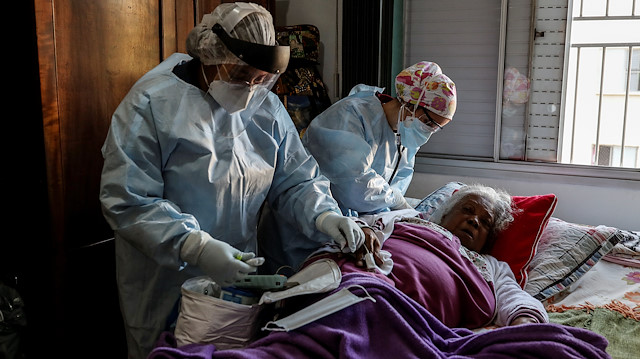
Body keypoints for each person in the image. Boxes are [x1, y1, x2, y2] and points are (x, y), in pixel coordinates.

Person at [99, 3, 364, 358]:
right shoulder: (151, 104)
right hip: (163, 274)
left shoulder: (265, 108)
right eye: (240, 75)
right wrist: (197, 248)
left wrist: (325, 216)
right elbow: (129, 200)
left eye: (261, 79)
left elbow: (296, 180)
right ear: (210, 54)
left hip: (238, 269)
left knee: (229, 350)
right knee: (166, 350)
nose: (251, 89)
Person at [307, 184, 548, 329]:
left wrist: (525, 322)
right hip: (363, 283)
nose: (474, 220)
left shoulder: (490, 266)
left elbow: (515, 298)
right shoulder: (405, 219)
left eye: (485, 222)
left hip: (415, 319)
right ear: (443, 215)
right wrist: (363, 230)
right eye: (467, 210)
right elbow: (353, 228)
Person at [301, 61, 457, 217]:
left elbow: (396, 184)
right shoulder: (352, 115)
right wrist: (395, 200)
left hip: (363, 219)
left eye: (435, 128)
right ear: (410, 104)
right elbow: (353, 183)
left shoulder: (405, 135)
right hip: (320, 213)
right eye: (428, 122)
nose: (428, 131)